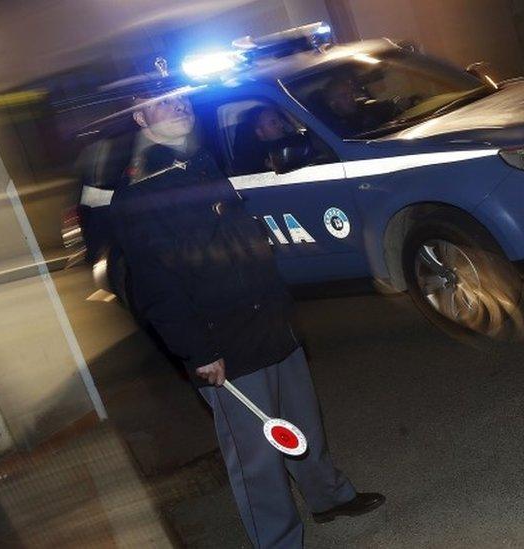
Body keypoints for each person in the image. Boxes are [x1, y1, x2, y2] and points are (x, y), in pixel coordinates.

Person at [109, 89, 385, 548]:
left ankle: (329, 498)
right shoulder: (140, 193)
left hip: (271, 324)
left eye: (181, 100)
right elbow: (157, 287)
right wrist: (199, 352)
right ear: (140, 116)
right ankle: (277, 541)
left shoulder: (200, 165)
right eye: (162, 103)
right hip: (225, 343)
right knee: (256, 457)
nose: (178, 108)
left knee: (303, 424)